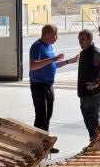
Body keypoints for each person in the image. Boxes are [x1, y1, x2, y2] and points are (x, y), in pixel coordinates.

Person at [64, 29, 100, 140]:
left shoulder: (95, 52)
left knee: (93, 122)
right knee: (88, 121)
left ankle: (96, 146)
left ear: (90, 39)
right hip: (84, 94)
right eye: (79, 39)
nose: (80, 42)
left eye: (82, 39)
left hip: (92, 95)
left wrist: (98, 82)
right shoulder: (84, 53)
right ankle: (93, 142)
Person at [28, 24, 69, 153]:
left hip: (48, 85)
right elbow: (33, 66)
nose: (57, 37)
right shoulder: (37, 46)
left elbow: (53, 65)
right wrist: (54, 58)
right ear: (48, 34)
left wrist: (68, 61)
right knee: (41, 116)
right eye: (55, 35)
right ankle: (36, 145)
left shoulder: (49, 46)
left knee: (48, 116)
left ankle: (45, 144)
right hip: (38, 86)